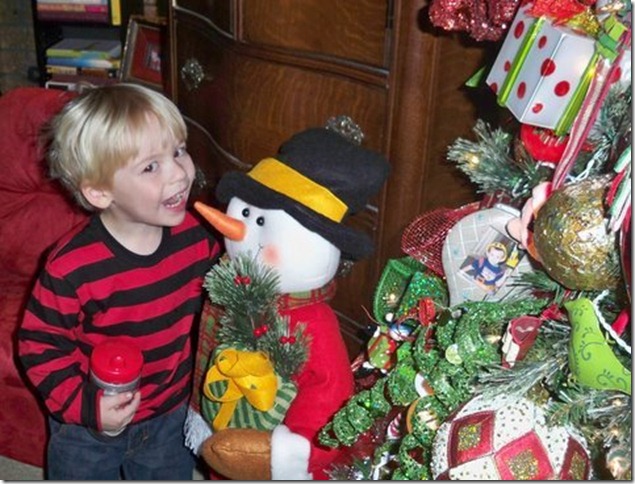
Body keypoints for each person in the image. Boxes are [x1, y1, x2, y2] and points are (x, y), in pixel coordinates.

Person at [18, 83, 220, 480]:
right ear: (99, 192)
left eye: (178, 151)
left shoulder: (197, 239)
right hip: (88, 427)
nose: (180, 173)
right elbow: (39, 347)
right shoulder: (72, 267)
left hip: (169, 415)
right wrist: (86, 406)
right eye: (150, 167)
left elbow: (221, 303)